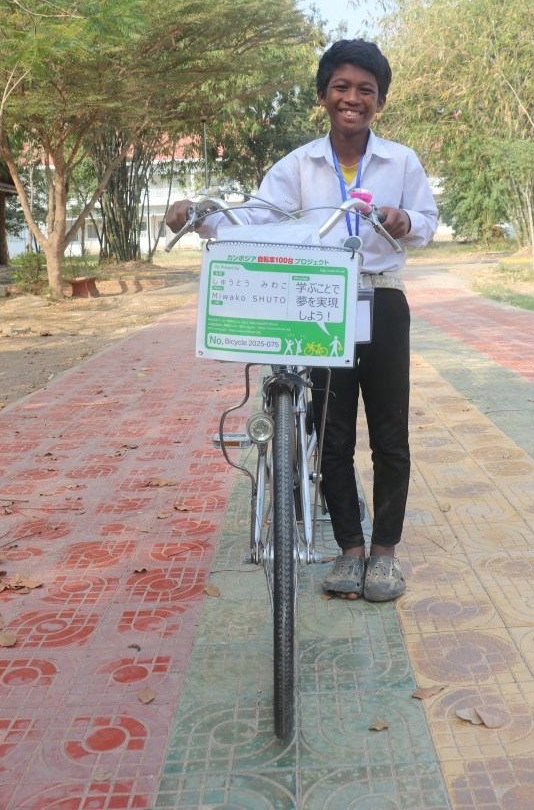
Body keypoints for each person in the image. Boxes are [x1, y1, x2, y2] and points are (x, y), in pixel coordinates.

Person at [166, 39, 438, 601]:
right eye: (341, 87)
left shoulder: (401, 161)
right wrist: (198, 216)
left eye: (365, 90)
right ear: (323, 95)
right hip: (318, 304)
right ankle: (350, 551)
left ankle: (385, 554)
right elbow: (254, 219)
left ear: (380, 101)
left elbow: (428, 222)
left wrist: (403, 219)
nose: (352, 98)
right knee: (330, 433)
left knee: (390, 434)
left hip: (382, 299)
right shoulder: (298, 165)